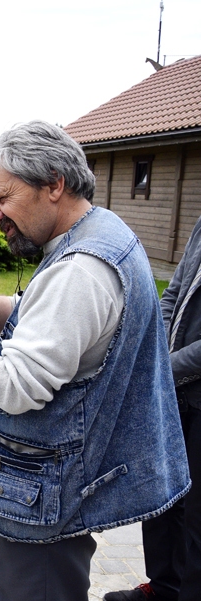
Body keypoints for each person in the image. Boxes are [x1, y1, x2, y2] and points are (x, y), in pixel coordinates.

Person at [0, 120, 190, 601]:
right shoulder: (101, 231)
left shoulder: (81, 269)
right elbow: (45, 321)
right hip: (58, 483)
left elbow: (14, 386)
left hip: (45, 494)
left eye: (2, 198)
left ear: (54, 183)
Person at [104, 215, 201, 601]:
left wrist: (160, 368)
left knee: (196, 519)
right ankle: (163, 588)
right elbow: (174, 292)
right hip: (174, 392)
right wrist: (156, 352)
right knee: (160, 498)